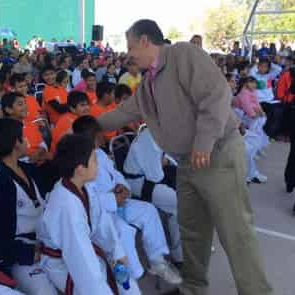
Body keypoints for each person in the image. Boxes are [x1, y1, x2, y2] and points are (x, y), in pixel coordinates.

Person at [97, 19, 272, 295]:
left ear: (145, 41)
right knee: (192, 230)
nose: (128, 54)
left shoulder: (182, 55)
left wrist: (204, 141)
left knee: (235, 231)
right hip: (188, 161)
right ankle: (193, 288)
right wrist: (90, 127)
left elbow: (216, 94)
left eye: (131, 47)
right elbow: (125, 111)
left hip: (216, 153)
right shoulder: (148, 82)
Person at [73, 116, 182, 284]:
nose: (103, 136)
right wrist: (112, 198)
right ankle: (133, 274)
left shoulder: (100, 154)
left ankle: (157, 262)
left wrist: (122, 187)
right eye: (99, 133)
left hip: (118, 200)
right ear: (92, 137)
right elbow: (87, 198)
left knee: (148, 211)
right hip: (102, 212)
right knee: (123, 231)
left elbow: (116, 174)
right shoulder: (78, 165)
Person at [37, 134, 139, 295]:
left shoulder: (85, 186)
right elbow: (80, 259)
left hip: (85, 250)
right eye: (94, 160)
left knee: (129, 286)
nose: (98, 164)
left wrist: (117, 253)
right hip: (62, 262)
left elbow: (102, 223)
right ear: (80, 169)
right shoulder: (66, 205)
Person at [0, 118, 57, 295]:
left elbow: (55, 182)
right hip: (17, 257)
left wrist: (48, 158)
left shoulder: (28, 169)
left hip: (45, 243)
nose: (27, 140)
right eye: (23, 136)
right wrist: (26, 253)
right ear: (16, 143)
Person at [123, 126, 183, 265]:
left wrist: (166, 161)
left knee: (189, 189)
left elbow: (169, 156)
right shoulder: (149, 138)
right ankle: (179, 255)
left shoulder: (161, 130)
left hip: (150, 175)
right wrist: (165, 162)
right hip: (140, 182)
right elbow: (155, 175)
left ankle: (186, 242)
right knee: (180, 203)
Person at [1, 92, 50, 164]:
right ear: (9, 110)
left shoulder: (31, 124)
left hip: (40, 162)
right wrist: (29, 158)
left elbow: (43, 145)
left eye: (25, 103)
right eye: (20, 104)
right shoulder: (4, 131)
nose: (25, 107)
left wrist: (38, 152)